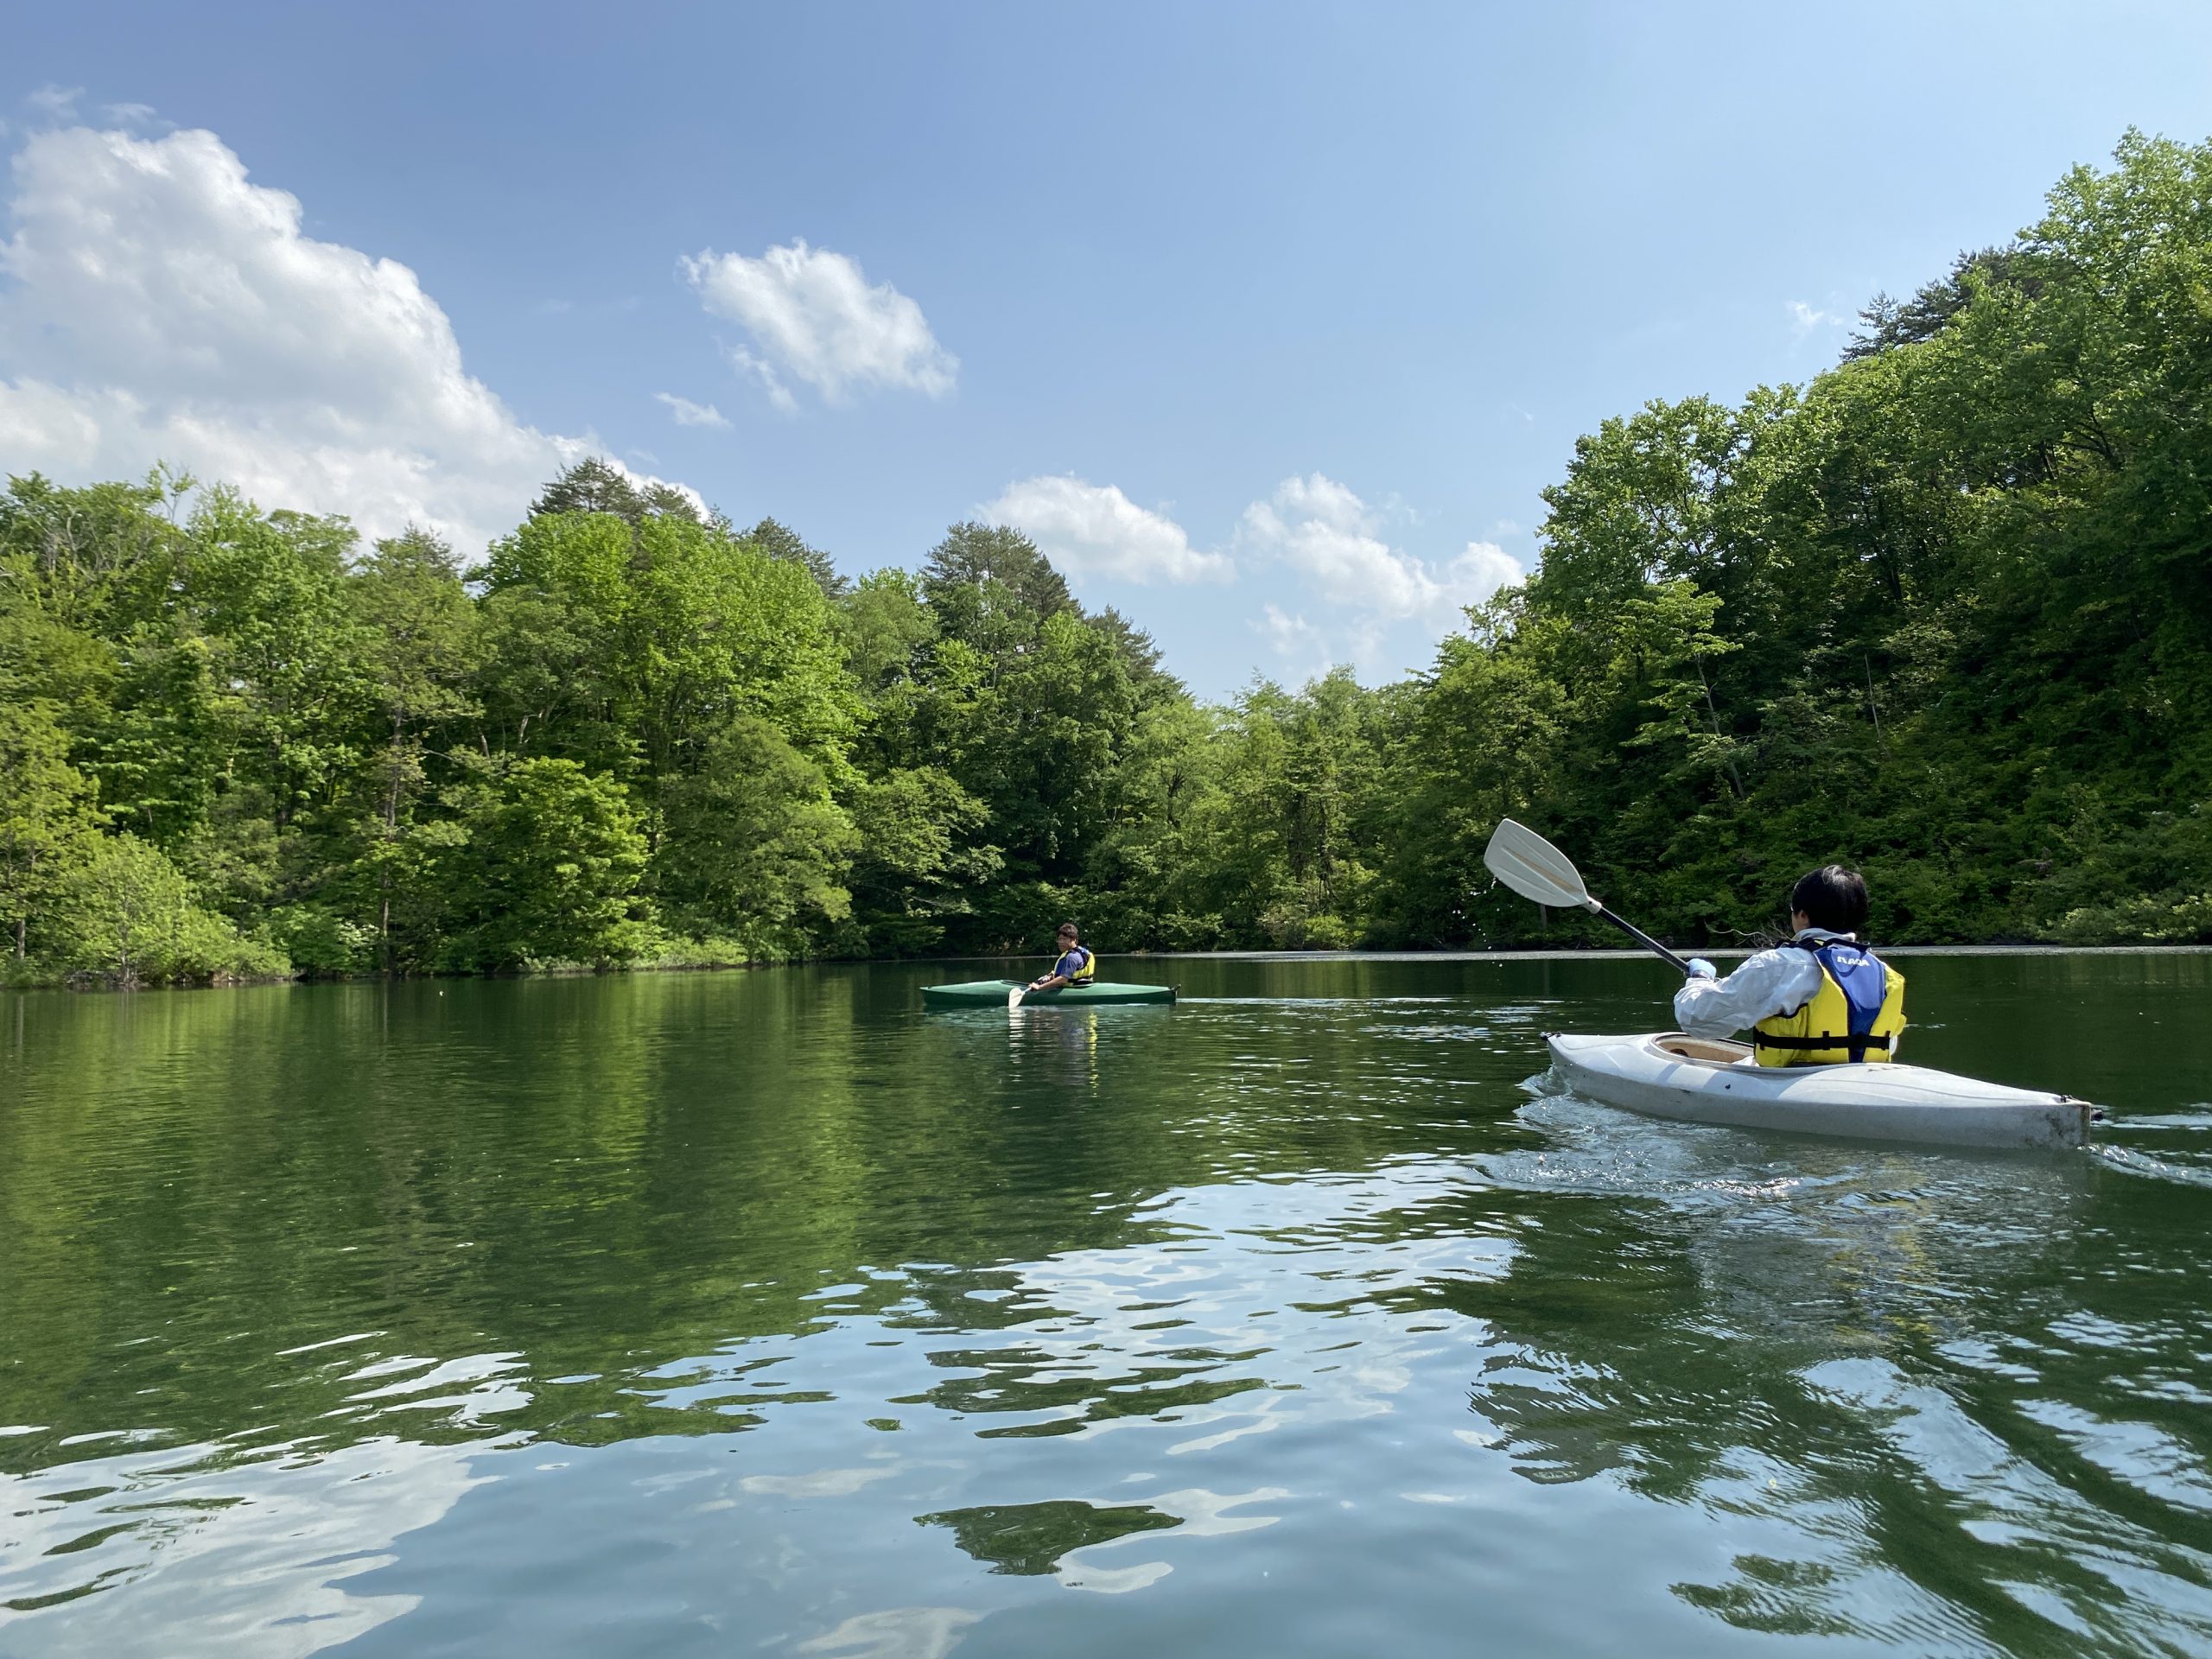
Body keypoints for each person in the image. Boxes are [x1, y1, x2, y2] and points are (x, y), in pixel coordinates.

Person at [1673, 865, 1906, 1065]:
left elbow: (1698, 1020)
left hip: (1791, 1080)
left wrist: (1699, 979)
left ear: (1803, 915)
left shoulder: (1779, 965)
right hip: (1861, 1079)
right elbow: (1887, 1043)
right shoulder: (1884, 973)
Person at [1027, 922, 1097, 994]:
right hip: (1083, 986)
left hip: (1071, 990)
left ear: (1074, 939)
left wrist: (1039, 987)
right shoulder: (1082, 952)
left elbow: (1063, 980)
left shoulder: (1071, 957)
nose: (1061, 942)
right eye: (1060, 939)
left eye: (1064, 939)